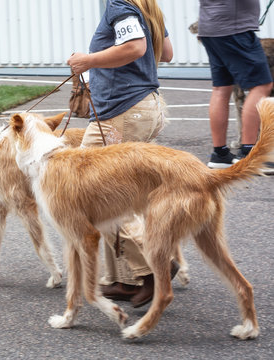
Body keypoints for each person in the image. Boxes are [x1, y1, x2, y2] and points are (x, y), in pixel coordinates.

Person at [67, 0, 175, 308]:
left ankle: (155, 268)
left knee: (92, 190)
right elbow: (165, 54)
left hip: (121, 112)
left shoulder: (120, 6)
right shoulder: (148, 8)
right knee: (124, 194)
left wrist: (88, 60)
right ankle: (125, 280)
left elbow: (135, 48)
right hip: (143, 107)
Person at [198, 0, 273, 170]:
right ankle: (248, 153)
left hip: (211, 27)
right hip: (234, 28)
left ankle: (220, 154)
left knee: (221, 88)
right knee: (261, 86)